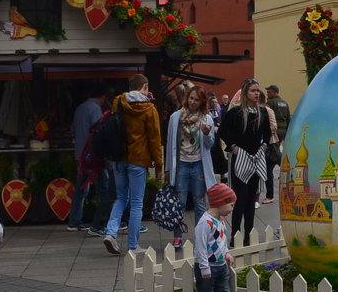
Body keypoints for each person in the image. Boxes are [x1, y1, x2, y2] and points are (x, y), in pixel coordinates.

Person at [103, 74, 163, 255]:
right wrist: (158, 165)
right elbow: (154, 138)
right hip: (139, 159)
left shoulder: (119, 102)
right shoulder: (149, 109)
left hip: (119, 158)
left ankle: (110, 232)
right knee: (137, 203)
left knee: (121, 198)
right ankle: (133, 245)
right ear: (145, 86)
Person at [219, 78, 275, 246]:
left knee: (251, 200)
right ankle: (235, 234)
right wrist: (233, 146)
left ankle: (248, 235)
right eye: (253, 90)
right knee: (241, 199)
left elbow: (267, 134)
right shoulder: (235, 112)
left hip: (256, 158)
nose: (256, 93)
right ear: (245, 93)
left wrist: (264, 146)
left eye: (258, 90)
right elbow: (222, 131)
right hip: (240, 158)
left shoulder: (262, 112)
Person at [191, 182, 248, 292]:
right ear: (220, 204)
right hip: (208, 267)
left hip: (221, 266)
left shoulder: (221, 220)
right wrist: (204, 268)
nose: (232, 208)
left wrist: (226, 254)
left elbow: (221, 242)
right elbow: (201, 248)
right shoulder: (205, 223)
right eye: (231, 205)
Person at [165, 85, 216, 249]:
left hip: (199, 165)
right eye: (191, 98)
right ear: (187, 98)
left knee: (200, 203)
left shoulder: (206, 119)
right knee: (179, 202)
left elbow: (210, 145)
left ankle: (200, 238)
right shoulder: (176, 117)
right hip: (181, 164)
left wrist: (207, 133)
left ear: (202, 102)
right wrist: (167, 168)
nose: (193, 102)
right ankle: (177, 237)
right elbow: (170, 144)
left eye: (197, 99)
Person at [69, 83, 112, 232]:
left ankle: (74, 221)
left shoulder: (80, 108)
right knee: (104, 189)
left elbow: (73, 130)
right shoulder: (95, 109)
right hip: (92, 156)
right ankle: (104, 221)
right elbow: (99, 130)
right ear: (102, 97)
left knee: (80, 189)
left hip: (80, 155)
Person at [264, 85, 291, 204]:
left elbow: (267, 118)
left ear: (275, 92)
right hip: (284, 130)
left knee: (274, 153)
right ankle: (285, 168)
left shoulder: (271, 103)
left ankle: (287, 169)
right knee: (276, 153)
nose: (267, 94)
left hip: (274, 132)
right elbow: (288, 118)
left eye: (269, 92)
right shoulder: (284, 103)